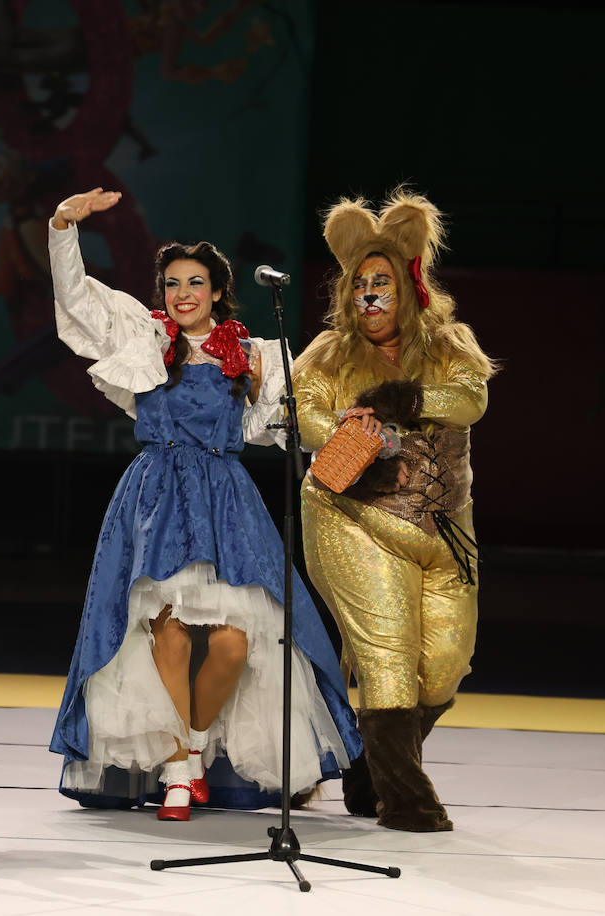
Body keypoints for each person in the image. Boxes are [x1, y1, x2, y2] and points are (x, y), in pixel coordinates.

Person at [46, 188, 360, 821]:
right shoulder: (144, 338)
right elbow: (76, 301)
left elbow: (290, 427)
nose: (181, 293)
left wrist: (354, 432)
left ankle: (186, 753)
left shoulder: (257, 356)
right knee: (163, 633)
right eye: (170, 283)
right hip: (155, 498)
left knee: (232, 646)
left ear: (219, 291)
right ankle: (182, 775)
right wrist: (61, 226)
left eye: (195, 283)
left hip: (225, 504)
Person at [293, 189, 496, 831]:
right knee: (388, 656)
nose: (369, 297)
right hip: (353, 517)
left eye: (381, 283)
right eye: (359, 285)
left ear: (408, 287)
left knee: (442, 668)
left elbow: (470, 402)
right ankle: (407, 800)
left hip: (445, 531)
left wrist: (405, 397)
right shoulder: (327, 353)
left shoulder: (450, 347)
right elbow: (303, 416)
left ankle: (367, 773)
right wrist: (351, 433)